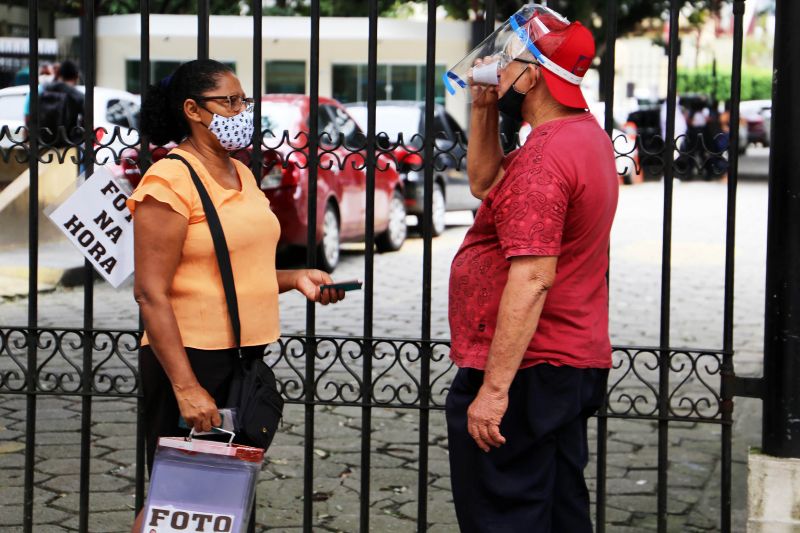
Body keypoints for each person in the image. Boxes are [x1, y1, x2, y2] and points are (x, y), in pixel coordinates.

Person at [126, 59, 346, 532]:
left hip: (243, 358)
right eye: (229, 101)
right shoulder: (169, 181)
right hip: (190, 359)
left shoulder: (240, 173)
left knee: (220, 502)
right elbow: (150, 292)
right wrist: (187, 388)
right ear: (193, 110)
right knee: (179, 500)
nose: (240, 110)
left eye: (243, 100)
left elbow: (236, 267)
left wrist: (295, 279)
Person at [445, 7, 618, 533]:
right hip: (565, 364)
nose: (496, 68)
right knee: (559, 510)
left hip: (529, 369)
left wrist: (493, 392)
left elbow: (533, 276)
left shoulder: (545, 157)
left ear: (534, 76)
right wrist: (482, 109)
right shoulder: (582, 136)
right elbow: (482, 184)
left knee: (506, 516)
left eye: (510, 62)